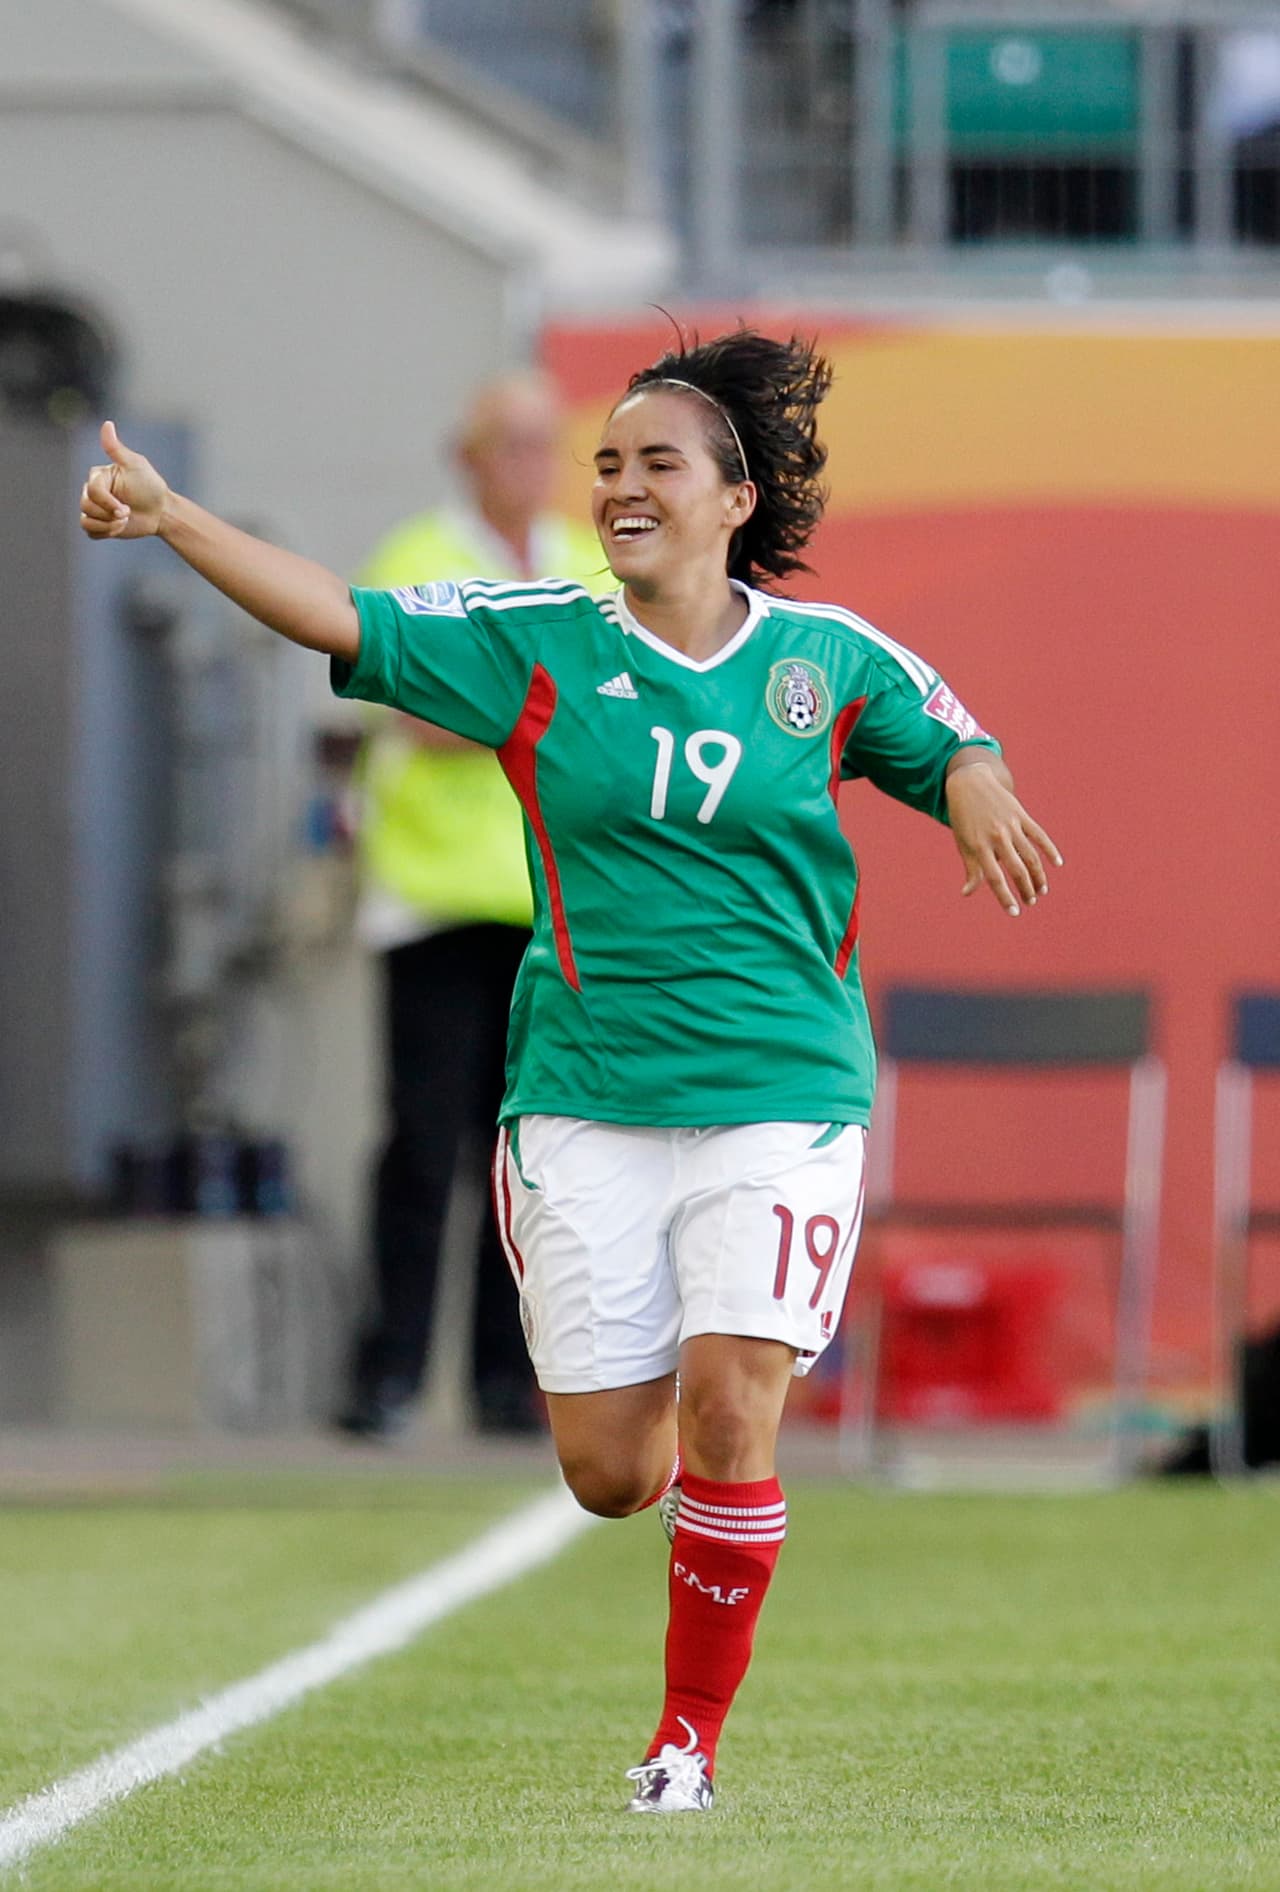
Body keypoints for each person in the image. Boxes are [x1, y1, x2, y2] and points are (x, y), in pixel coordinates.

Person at [79, 327, 1061, 1814]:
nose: (619, 486)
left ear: (735, 499)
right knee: (613, 1472)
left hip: (782, 1098)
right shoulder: (539, 637)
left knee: (738, 1398)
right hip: (586, 1099)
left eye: (654, 463)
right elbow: (342, 618)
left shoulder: (825, 660)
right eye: (607, 464)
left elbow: (945, 730)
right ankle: (681, 1440)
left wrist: (975, 771)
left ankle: (685, 1745)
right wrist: (173, 518)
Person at [340, 373, 602, 1440]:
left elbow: (606, 697)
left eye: (546, 445)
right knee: (418, 1141)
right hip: (439, 899)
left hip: (557, 908)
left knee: (530, 1150)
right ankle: (389, 1373)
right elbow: (419, 705)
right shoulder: (416, 561)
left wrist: (508, 693)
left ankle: (509, 1379)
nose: (531, 465)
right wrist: (534, 695)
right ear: (469, 455)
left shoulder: (586, 558)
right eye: (512, 445)